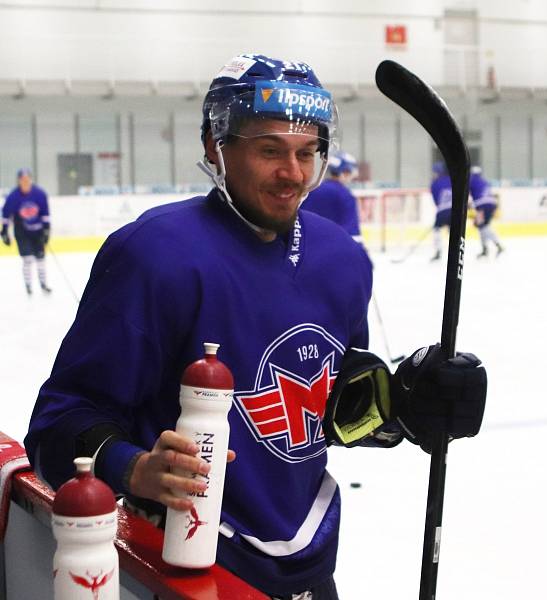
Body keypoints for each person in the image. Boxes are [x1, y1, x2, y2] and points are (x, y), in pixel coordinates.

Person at [24, 54, 487, 599]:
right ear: (214, 146)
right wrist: (134, 468)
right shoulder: (154, 256)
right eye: (270, 150)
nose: (292, 172)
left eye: (307, 151)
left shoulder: (341, 259)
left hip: (311, 564)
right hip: (188, 566)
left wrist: (406, 407)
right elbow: (60, 421)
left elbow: (328, 413)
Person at [1, 168, 52, 295]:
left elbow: (45, 213)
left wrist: (46, 230)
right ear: (18, 181)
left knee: (40, 258)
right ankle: (28, 285)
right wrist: (4, 231)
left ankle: (43, 284)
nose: (25, 182)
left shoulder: (40, 194)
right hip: (22, 233)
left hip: (37, 232)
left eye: (27, 179)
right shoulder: (13, 196)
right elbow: (6, 215)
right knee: (28, 259)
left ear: (30, 179)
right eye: (22, 179)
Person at [301, 150, 363, 244]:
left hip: (307, 247)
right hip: (333, 249)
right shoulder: (345, 195)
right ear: (345, 172)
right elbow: (353, 234)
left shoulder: (311, 190)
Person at [469, 165, 504, 258]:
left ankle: (498, 245)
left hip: (482, 206)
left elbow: (467, 193)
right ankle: (485, 249)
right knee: (482, 226)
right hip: (491, 204)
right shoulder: (484, 181)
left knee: (482, 226)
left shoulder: (471, 180)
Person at [429, 161, 451, 261]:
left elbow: (436, 201)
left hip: (442, 210)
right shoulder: (451, 179)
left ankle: (438, 251)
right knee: (453, 231)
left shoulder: (434, 183)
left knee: (437, 229)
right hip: (454, 210)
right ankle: (455, 251)